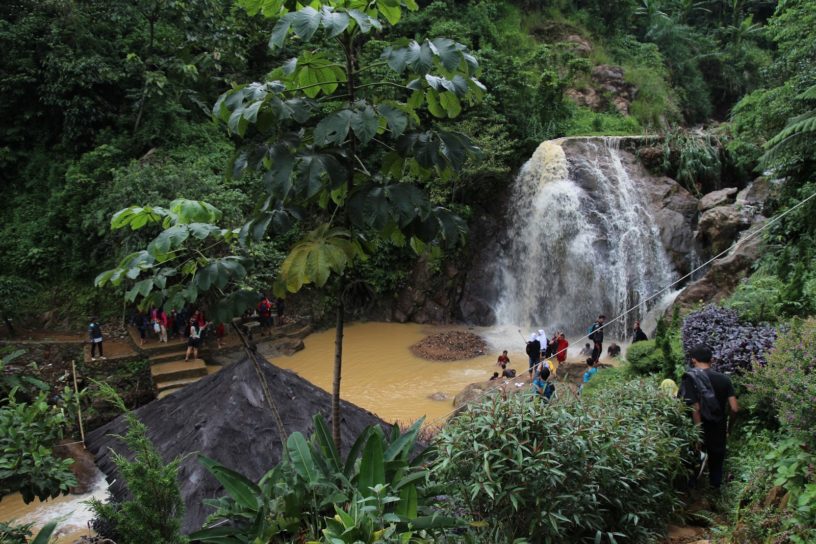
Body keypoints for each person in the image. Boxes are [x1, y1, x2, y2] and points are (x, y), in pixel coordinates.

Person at [679, 344, 739, 489]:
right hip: (718, 427)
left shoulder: (690, 378)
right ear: (712, 359)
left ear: (693, 360)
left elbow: (696, 408)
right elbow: (735, 408)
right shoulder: (725, 380)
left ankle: (693, 494)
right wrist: (728, 427)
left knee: (693, 462)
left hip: (696, 428)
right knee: (716, 464)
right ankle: (715, 493)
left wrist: (698, 434)